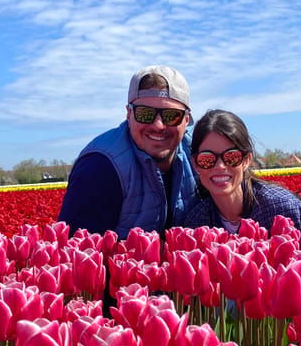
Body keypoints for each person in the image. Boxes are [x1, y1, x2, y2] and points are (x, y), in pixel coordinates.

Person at [185, 109, 301, 255]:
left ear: (246, 160)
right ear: (195, 163)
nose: (220, 166)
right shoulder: (197, 222)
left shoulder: (280, 207)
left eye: (231, 157)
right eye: (207, 159)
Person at [58, 66, 198, 238]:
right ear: (128, 114)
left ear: (186, 120)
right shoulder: (99, 166)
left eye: (171, 115)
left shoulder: (199, 154)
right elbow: (77, 248)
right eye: (145, 114)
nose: (158, 125)